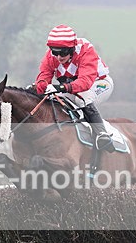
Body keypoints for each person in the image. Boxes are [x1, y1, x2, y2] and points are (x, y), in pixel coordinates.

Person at [33, 24, 115, 152]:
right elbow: (43, 76)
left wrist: (59, 87)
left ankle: (102, 134)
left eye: (63, 52)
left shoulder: (86, 50)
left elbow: (85, 82)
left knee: (83, 98)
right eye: (55, 52)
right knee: (53, 100)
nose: (59, 57)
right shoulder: (50, 56)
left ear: (72, 48)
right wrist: (41, 87)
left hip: (99, 83)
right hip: (71, 87)